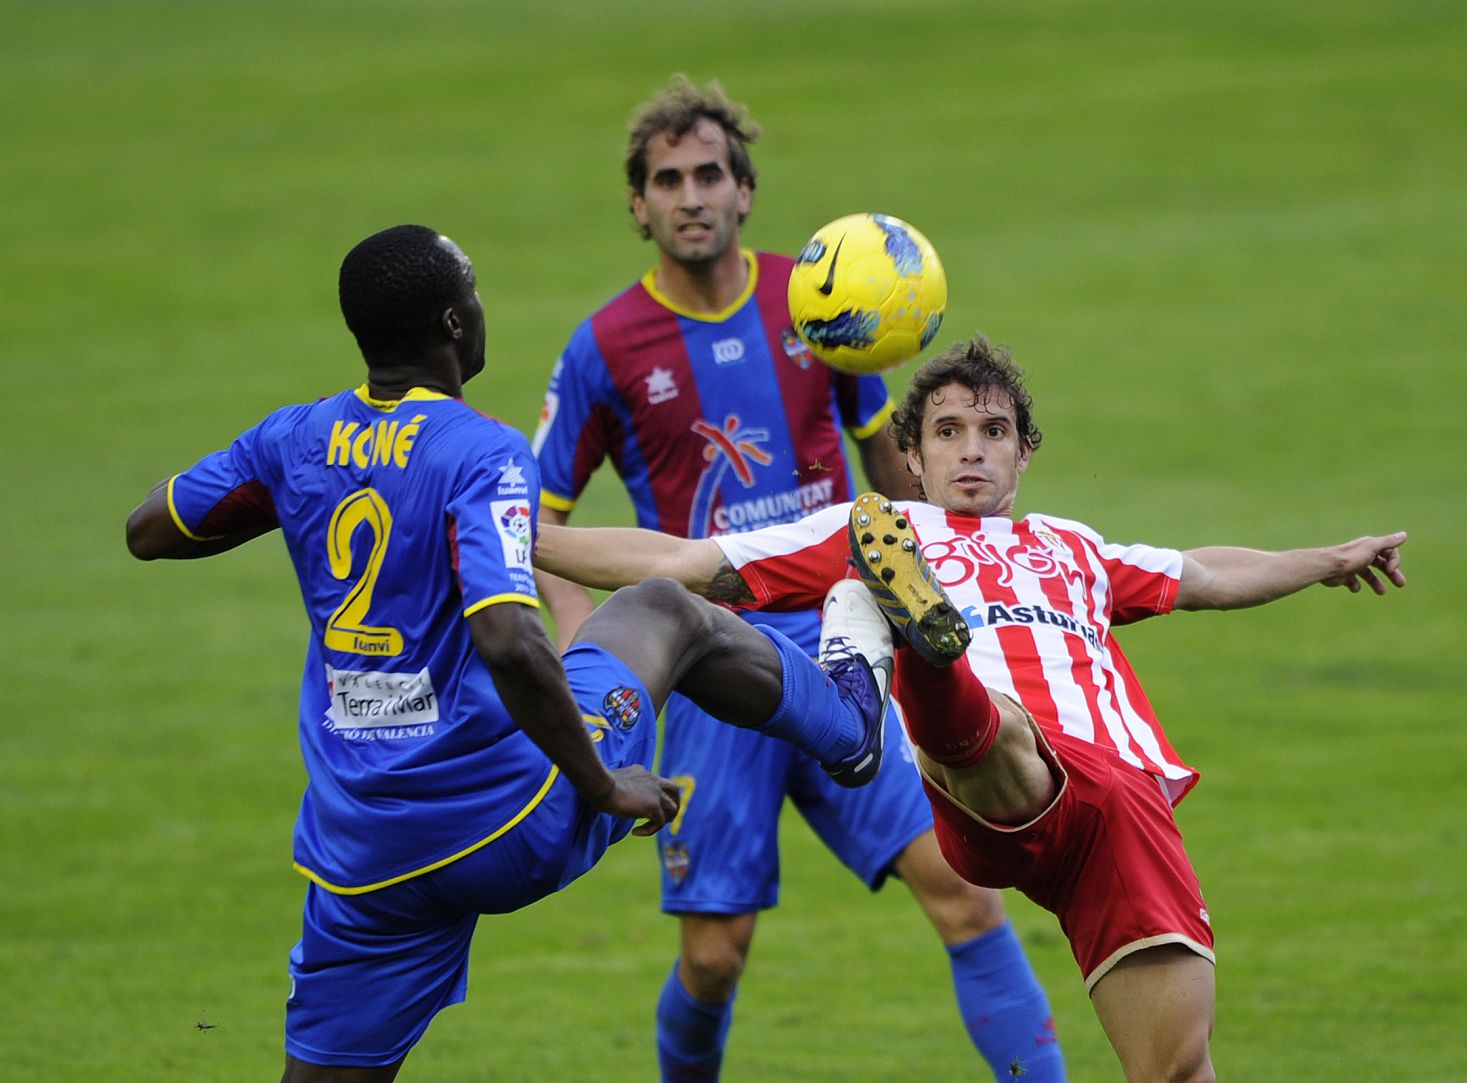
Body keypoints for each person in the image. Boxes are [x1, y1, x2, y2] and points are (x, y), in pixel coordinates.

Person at [123, 224, 900, 1082]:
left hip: (363, 849)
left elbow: (149, 530)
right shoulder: (481, 451)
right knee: (661, 607)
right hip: (507, 817)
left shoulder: (293, 441)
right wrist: (601, 784)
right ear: (455, 324)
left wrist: (300, 486)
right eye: (476, 293)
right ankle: (851, 726)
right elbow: (509, 636)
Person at [530, 335, 1409, 1083]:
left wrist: (1327, 558)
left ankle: (907, 641)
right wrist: (517, 534)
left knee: (1178, 1065)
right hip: (995, 778)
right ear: (913, 454)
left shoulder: (1076, 548)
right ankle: (923, 647)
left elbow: (1206, 574)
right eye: (948, 432)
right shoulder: (874, 528)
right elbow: (685, 561)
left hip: (1123, 808)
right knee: (990, 725)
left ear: (1026, 450)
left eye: (994, 431)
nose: (973, 450)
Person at [531, 76, 1065, 1082]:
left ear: (745, 191)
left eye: (710, 176)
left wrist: (956, 575)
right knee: (715, 955)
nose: (691, 196)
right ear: (638, 205)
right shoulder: (604, 347)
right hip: (706, 667)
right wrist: (584, 663)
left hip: (844, 639)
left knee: (965, 895)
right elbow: (541, 520)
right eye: (668, 180)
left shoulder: (824, 303)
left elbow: (891, 474)